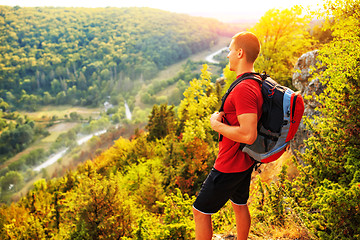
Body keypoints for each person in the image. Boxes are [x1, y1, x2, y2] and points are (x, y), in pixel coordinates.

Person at [192, 31, 263, 240]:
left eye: (230, 50)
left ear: (240, 53)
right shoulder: (255, 81)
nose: (227, 55)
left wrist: (216, 125)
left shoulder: (244, 88)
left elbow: (248, 134)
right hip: (245, 159)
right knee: (240, 205)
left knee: (200, 212)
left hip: (230, 163)